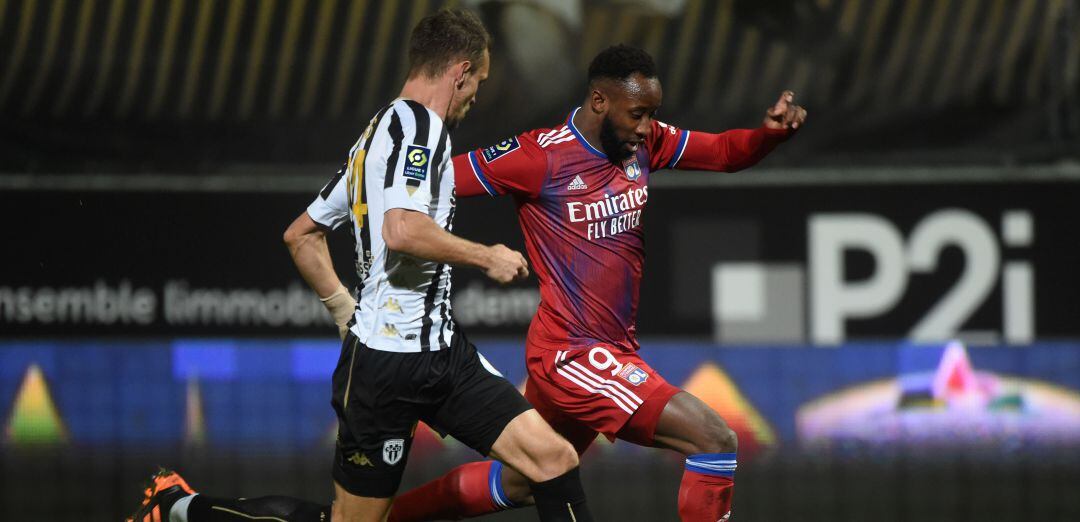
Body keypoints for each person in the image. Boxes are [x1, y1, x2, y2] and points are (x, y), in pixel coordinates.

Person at [127, 9, 594, 522]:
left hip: (442, 354)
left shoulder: (374, 136)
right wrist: (487, 255)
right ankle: (180, 508)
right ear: (459, 71)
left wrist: (345, 313)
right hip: (386, 370)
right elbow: (401, 230)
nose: (476, 96)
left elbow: (300, 234)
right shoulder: (421, 128)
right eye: (477, 82)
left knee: (553, 461)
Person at [388, 44, 807, 522]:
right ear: (599, 101)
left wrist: (767, 136)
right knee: (714, 439)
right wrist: (372, 181)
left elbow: (726, 153)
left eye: (653, 115)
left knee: (525, 479)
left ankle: (371, 520)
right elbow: (436, 179)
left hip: (605, 348)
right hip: (574, 353)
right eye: (638, 114)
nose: (647, 127)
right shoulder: (537, 157)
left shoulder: (645, 143)